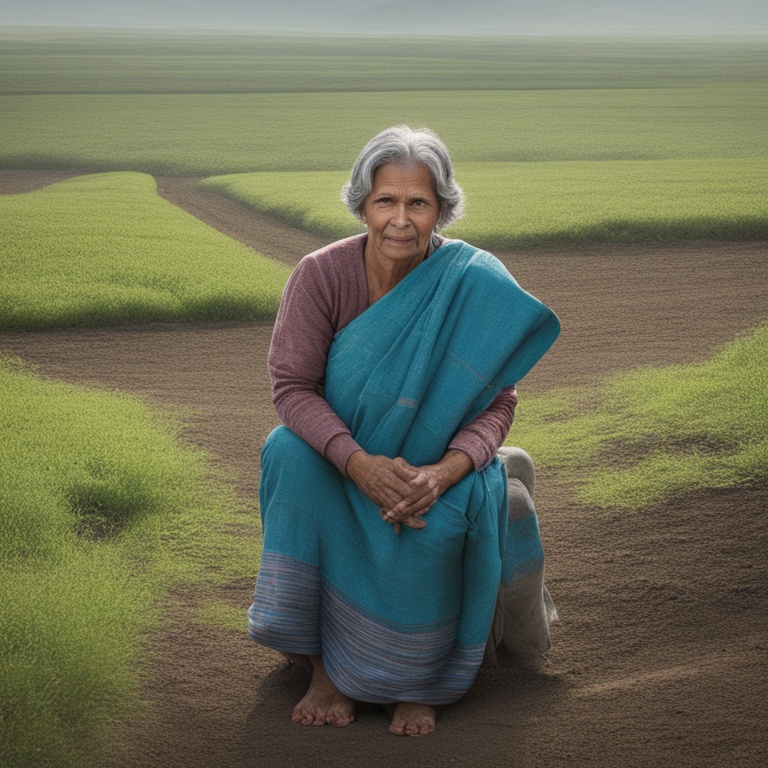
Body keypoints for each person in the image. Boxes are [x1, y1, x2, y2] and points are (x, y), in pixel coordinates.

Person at [248, 125, 560, 736]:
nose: (400, 219)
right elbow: (292, 389)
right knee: (285, 450)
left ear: (442, 207)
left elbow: (499, 403)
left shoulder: (472, 281)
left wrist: (444, 472)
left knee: (445, 522)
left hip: (430, 472)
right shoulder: (320, 276)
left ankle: (414, 682)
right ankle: (325, 670)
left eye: (418, 203)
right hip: (344, 465)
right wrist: (358, 463)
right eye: (385, 201)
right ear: (361, 204)